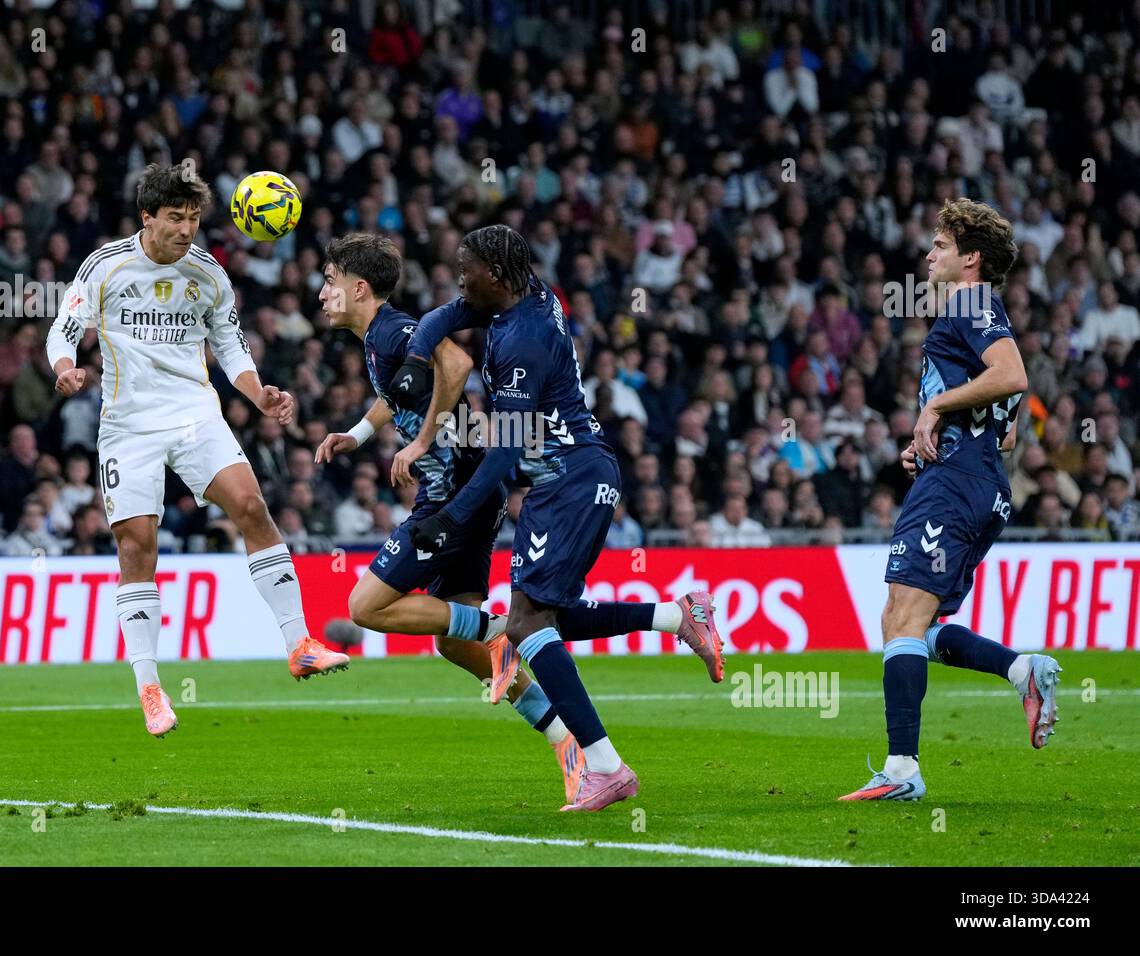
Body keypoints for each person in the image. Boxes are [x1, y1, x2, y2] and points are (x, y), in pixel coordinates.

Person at [315, 233, 719, 804]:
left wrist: (435, 469)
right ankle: (614, 684)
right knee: (477, 637)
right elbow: (439, 328)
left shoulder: (510, 340)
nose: (459, 281)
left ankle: (586, 736)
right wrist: (365, 427)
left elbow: (478, 398)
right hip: (533, 481)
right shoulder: (511, 301)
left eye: (329, 281)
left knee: (371, 607)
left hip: (515, 483)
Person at [44, 163, 346, 739]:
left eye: (194, 218)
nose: (186, 229)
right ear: (147, 217)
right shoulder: (106, 265)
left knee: (252, 507)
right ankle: (150, 688)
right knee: (137, 547)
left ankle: (300, 643)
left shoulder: (208, 273)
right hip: (128, 425)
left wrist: (259, 395)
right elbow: (64, 329)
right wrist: (66, 368)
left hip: (194, 415)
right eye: (175, 218)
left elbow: (230, 345)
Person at [842, 199, 1061, 802]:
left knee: (902, 618)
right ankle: (1021, 670)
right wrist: (939, 435)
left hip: (955, 486)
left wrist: (935, 408)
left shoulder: (968, 303)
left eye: (940, 244)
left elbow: (1013, 377)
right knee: (915, 622)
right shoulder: (982, 314)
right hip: (978, 482)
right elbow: (1007, 431)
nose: (928, 253)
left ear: (971, 258)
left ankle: (901, 771)